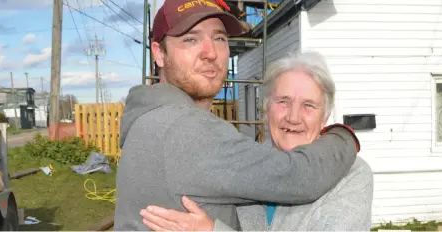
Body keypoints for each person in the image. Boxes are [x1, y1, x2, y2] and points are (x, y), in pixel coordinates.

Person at [113, 0, 360, 230]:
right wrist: (344, 135)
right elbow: (301, 176)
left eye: (219, 38)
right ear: (159, 53)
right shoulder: (185, 129)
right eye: (190, 40)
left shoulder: (151, 119)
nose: (210, 52)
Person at [139, 51, 374, 231]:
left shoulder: (351, 175)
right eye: (283, 101)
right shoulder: (248, 166)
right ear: (266, 109)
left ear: (325, 116)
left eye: (308, 105)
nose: (293, 116)